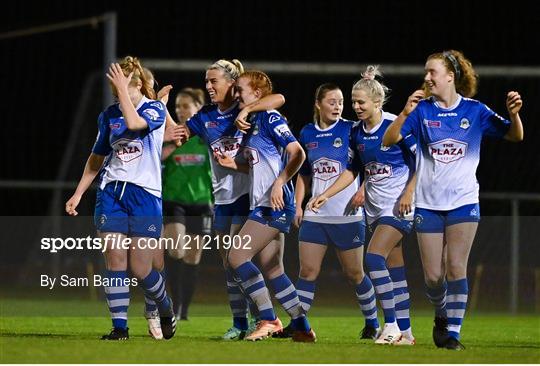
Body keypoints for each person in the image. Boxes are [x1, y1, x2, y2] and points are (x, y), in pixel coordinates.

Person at [382, 50, 524, 350]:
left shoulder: (475, 111)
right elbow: (388, 140)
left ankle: (453, 335)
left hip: (464, 202)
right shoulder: (421, 111)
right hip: (428, 204)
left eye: (432, 72)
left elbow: (514, 136)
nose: (427, 77)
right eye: (426, 72)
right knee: (434, 277)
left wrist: (514, 115)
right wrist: (406, 113)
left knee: (456, 268)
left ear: (451, 76)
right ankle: (441, 313)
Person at [65, 56, 176, 340]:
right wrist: (78, 194)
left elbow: (136, 124)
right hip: (111, 192)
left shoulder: (154, 109)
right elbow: (96, 159)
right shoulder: (108, 115)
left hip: (145, 196)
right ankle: (120, 328)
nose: (116, 89)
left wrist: (125, 94)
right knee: (115, 260)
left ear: (137, 83)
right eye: (115, 85)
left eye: (122, 83)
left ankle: (164, 305)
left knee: (141, 268)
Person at [307, 67, 417, 345]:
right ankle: (406, 332)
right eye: (353, 102)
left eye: (360, 102)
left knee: (373, 258)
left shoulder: (396, 126)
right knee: (395, 269)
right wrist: (326, 194)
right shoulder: (356, 132)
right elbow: (352, 169)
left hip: (398, 206)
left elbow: (422, 162)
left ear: (377, 103)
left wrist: (409, 192)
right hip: (375, 209)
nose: (354, 107)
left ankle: (389, 324)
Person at [178, 59, 286, 340]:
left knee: (239, 258)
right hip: (222, 199)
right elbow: (180, 134)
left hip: (247, 197)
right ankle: (240, 322)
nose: (208, 86)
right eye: (206, 81)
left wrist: (249, 107)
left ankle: (262, 319)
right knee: (229, 264)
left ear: (231, 83)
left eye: (213, 81)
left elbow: (279, 98)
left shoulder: (247, 110)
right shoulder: (205, 116)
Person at [222, 70, 316, 342]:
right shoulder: (253, 123)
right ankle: (302, 326)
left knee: (236, 257)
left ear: (257, 93)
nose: (237, 94)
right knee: (274, 269)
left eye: (240, 89)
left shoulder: (269, 117)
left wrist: (280, 182)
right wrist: (234, 165)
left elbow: (298, 153)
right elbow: (261, 165)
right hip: (265, 203)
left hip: (274, 204)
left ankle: (268, 319)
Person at [285, 83, 381, 340]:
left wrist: (365, 188)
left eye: (341, 102)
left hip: (347, 215)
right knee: (307, 272)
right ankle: (299, 324)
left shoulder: (352, 129)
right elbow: (304, 174)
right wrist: (297, 204)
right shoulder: (306, 132)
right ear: (318, 104)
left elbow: (367, 163)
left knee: (355, 274)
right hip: (315, 217)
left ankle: (372, 322)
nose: (338, 106)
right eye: (332, 102)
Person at [161, 88, 212, 322]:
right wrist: (169, 146)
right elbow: (154, 157)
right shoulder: (170, 134)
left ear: (198, 108)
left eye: (185, 106)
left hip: (201, 203)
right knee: (176, 250)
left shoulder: (206, 138)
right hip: (174, 200)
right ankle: (173, 303)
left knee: (192, 258)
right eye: (177, 106)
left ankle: (184, 311)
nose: (181, 111)